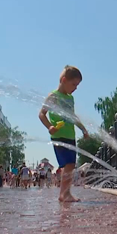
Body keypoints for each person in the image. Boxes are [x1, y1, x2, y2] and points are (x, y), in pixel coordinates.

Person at [38, 65, 89, 202]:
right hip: (58, 136)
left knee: (71, 165)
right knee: (67, 165)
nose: (75, 88)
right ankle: (64, 194)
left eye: (77, 85)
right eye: (74, 84)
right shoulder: (53, 96)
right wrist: (49, 127)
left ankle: (65, 194)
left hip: (70, 136)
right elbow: (42, 114)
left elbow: (72, 116)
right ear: (64, 80)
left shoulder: (70, 98)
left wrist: (82, 128)